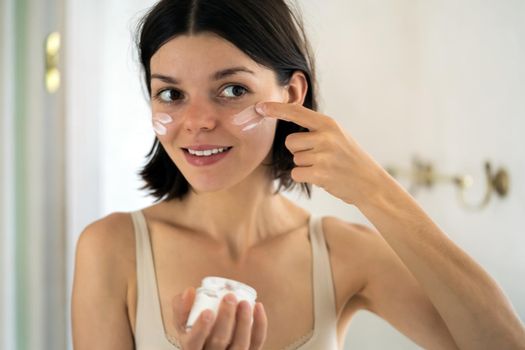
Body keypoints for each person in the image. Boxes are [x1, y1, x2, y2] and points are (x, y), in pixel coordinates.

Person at [71, 0, 525, 349]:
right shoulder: (112, 249)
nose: (197, 121)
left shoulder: (344, 253)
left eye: (232, 89)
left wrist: (376, 191)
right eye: (171, 93)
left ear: (291, 93)